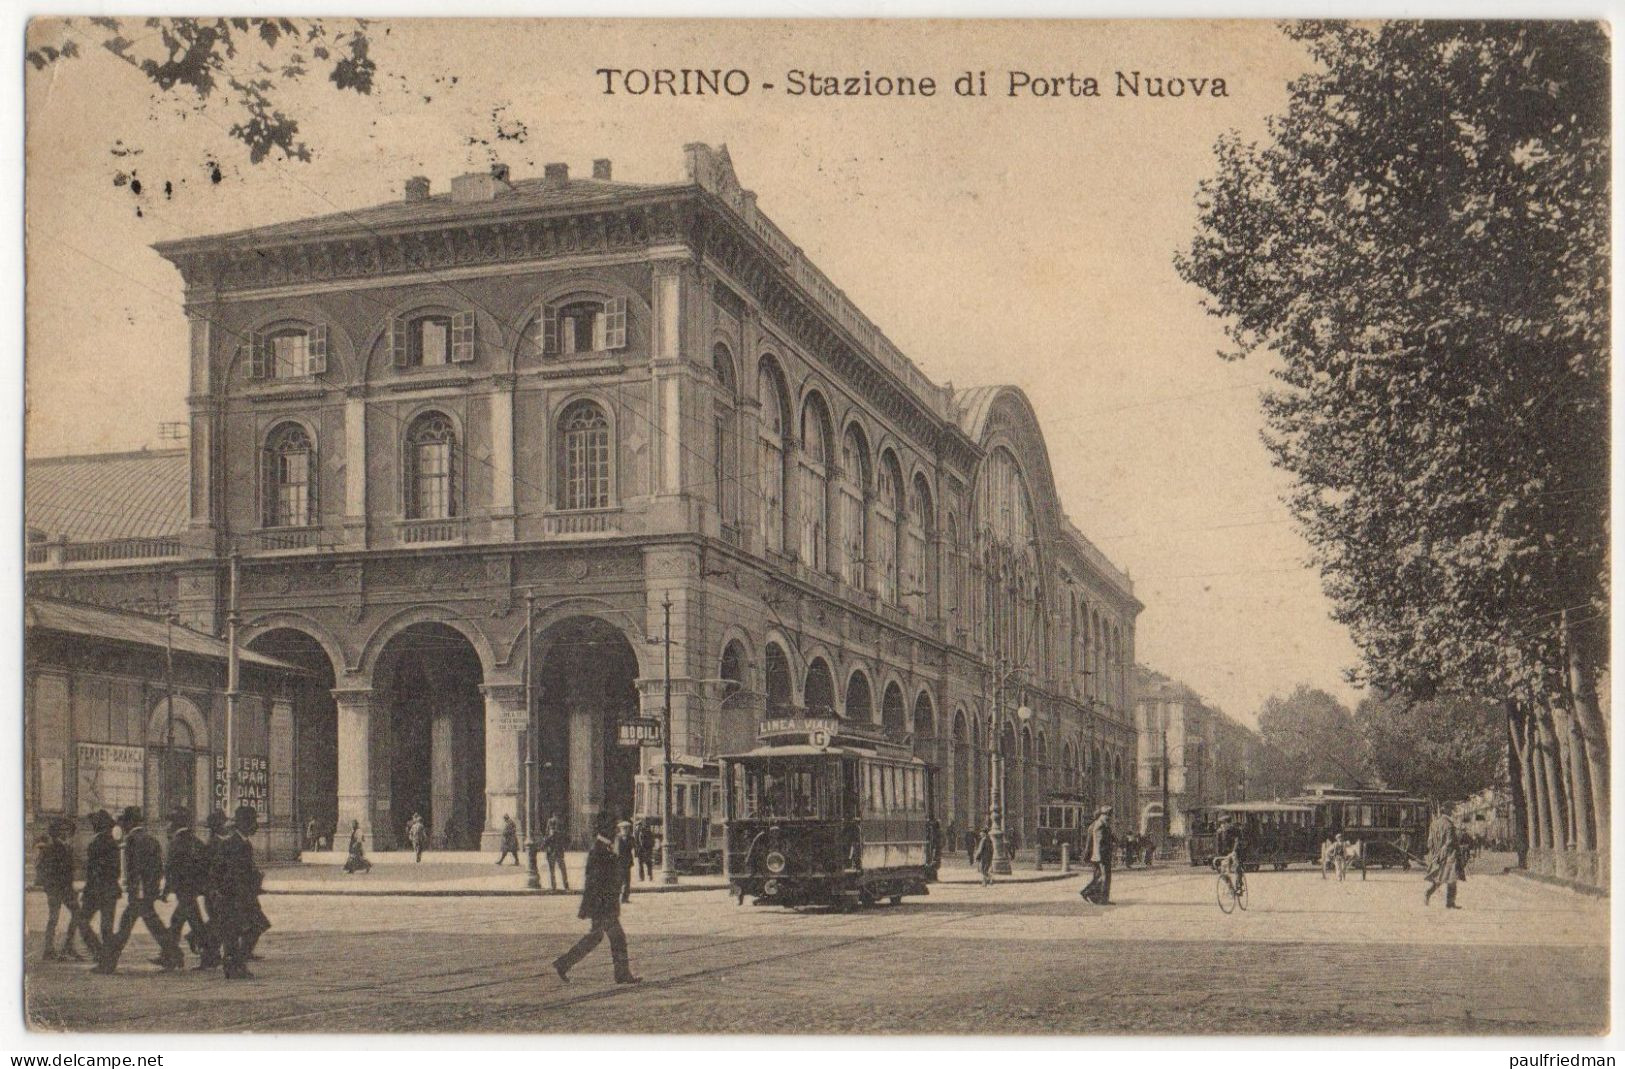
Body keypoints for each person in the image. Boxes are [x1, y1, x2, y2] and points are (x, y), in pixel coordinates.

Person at [552, 812, 640, 985]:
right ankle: (622, 975)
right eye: (613, 828)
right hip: (603, 906)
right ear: (606, 830)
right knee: (617, 938)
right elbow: (596, 882)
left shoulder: (604, 848)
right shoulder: (599, 851)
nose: (616, 831)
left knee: (595, 937)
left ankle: (563, 964)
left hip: (602, 905)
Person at [101, 806, 182, 973]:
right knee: (154, 925)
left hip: (139, 893)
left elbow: (136, 868)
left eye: (123, 822)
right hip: (148, 891)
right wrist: (154, 887)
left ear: (130, 822)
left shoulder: (132, 840)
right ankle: (174, 955)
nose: (122, 825)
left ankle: (108, 964)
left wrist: (136, 892)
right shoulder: (151, 839)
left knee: (126, 927)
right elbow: (159, 867)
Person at [209, 805, 264, 979]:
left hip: (238, 895)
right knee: (250, 927)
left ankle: (234, 964)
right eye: (253, 821)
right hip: (237, 896)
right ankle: (235, 964)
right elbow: (226, 871)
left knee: (236, 930)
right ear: (244, 823)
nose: (255, 825)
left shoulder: (241, 842)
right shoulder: (235, 843)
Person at [162, 808, 211, 968]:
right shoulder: (195, 841)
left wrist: (166, 890)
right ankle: (172, 956)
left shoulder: (176, 842)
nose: (167, 825)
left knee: (185, 922)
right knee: (187, 922)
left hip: (183, 890)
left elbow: (170, 869)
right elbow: (205, 865)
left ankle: (171, 957)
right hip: (193, 889)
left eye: (170, 821)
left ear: (176, 823)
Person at [36, 818, 86, 962]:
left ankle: (67, 947)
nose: (65, 833)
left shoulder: (67, 848)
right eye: (62, 830)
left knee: (76, 915)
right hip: (56, 889)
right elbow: (42, 869)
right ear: (55, 832)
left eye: (68, 830)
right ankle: (50, 949)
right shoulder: (49, 848)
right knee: (54, 917)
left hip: (66, 889)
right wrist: (49, 886)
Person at [1423, 809, 1465, 909]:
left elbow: (1429, 843)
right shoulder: (1449, 825)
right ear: (1449, 811)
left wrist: (1435, 854)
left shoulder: (1434, 824)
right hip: (1449, 855)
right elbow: (1450, 841)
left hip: (1437, 856)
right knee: (1452, 878)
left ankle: (1428, 892)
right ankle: (1450, 903)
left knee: (1440, 877)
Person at [1080, 806, 1114, 905]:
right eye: (1109, 815)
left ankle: (1090, 894)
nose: (1110, 817)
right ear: (1105, 815)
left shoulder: (1103, 824)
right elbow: (1098, 842)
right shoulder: (1100, 825)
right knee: (1105, 877)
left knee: (1100, 877)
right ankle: (1101, 899)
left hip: (1103, 855)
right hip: (1102, 856)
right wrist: (1099, 856)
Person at [1214, 813, 1246, 897]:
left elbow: (1237, 841)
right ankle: (1230, 888)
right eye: (1221, 824)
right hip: (1225, 854)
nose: (1222, 825)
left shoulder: (1236, 830)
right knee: (1222, 871)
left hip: (1236, 852)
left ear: (1229, 824)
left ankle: (1239, 887)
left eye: (1224, 823)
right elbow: (1218, 845)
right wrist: (1218, 856)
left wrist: (1234, 851)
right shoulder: (1219, 832)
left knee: (1237, 867)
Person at [544, 814, 570, 890]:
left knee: (552, 870)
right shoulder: (561, 832)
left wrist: (544, 842)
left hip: (552, 852)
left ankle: (553, 886)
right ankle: (566, 885)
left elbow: (547, 840)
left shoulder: (552, 832)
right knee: (562, 869)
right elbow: (566, 840)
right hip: (559, 851)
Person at [615, 819, 635, 903]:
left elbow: (633, 847)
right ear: (620, 829)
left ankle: (625, 898)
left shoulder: (631, 838)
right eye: (624, 829)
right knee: (619, 880)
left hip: (627, 862)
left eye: (627, 829)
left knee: (627, 881)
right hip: (619, 862)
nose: (625, 830)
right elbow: (617, 851)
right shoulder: (618, 838)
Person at [634, 818, 656, 882]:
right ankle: (641, 877)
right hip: (640, 850)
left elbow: (652, 841)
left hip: (646, 850)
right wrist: (636, 851)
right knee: (640, 864)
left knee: (648, 863)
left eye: (639, 825)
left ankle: (650, 876)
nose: (638, 827)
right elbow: (636, 842)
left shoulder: (647, 831)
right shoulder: (636, 832)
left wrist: (649, 849)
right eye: (637, 825)